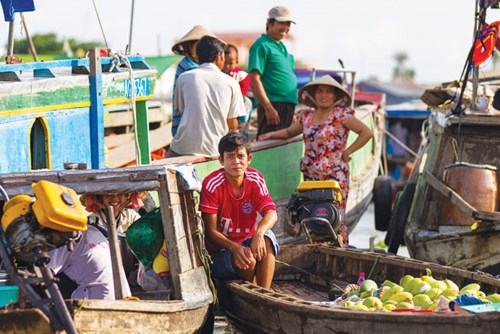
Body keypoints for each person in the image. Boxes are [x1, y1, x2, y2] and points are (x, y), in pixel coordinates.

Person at [258, 75, 373, 245]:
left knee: (336, 215)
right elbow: (290, 132)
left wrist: (348, 151)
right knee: (312, 215)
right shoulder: (306, 116)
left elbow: (366, 133)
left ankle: (341, 250)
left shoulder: (342, 115)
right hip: (311, 176)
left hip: (334, 176)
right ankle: (316, 251)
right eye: (319, 91)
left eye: (328, 91)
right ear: (313, 95)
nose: (323, 95)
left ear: (335, 95)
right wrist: (270, 135)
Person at [200, 132, 278, 289]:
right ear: (221, 160)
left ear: (249, 159)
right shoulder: (212, 184)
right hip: (220, 252)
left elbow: (271, 212)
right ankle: (255, 293)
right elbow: (210, 231)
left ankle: (264, 295)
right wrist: (234, 248)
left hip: (246, 242)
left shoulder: (256, 179)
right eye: (230, 156)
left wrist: (259, 232)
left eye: (240, 156)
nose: (236, 161)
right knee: (248, 260)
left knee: (267, 238)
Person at [168, 36, 246, 158]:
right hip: (215, 149)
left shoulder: (184, 78)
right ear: (218, 56)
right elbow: (232, 124)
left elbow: (182, 110)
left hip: (182, 148)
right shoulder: (231, 83)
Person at [248, 6, 298, 137]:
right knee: (269, 144)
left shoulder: (282, 47)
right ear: (270, 23)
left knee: (283, 148)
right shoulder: (261, 45)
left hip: (286, 106)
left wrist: (291, 111)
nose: (285, 27)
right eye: (282, 23)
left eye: (288, 24)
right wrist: (268, 107)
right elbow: (254, 78)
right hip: (273, 106)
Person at [171, 25, 213, 137]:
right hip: (185, 121)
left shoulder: (197, 65)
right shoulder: (188, 66)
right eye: (198, 46)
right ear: (189, 46)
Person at [222, 44, 252, 128]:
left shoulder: (240, 74)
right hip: (225, 100)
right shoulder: (220, 73)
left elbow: (246, 82)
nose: (227, 66)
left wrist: (241, 95)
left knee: (246, 104)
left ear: (237, 62)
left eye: (230, 63)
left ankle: (242, 123)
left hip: (238, 99)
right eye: (225, 63)